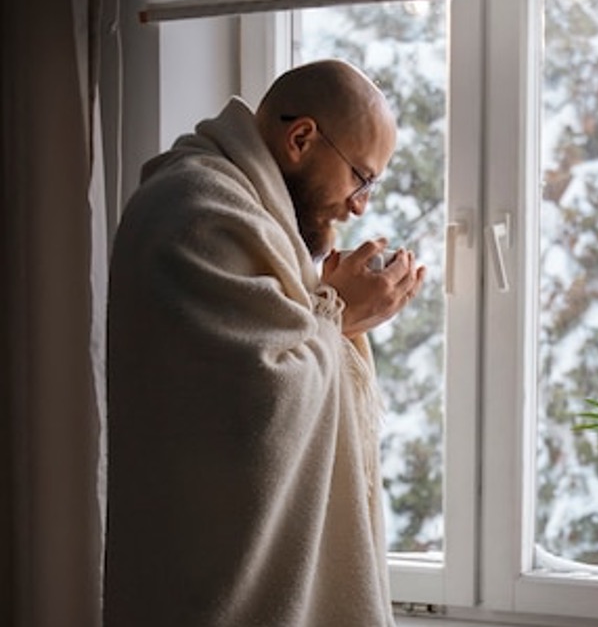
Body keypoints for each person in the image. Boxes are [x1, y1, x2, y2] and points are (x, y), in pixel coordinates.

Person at [104, 59, 425, 627]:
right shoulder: (197, 212)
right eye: (362, 178)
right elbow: (256, 406)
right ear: (300, 138)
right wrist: (340, 311)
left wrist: (330, 308)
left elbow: (275, 353)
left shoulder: (243, 211)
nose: (360, 206)